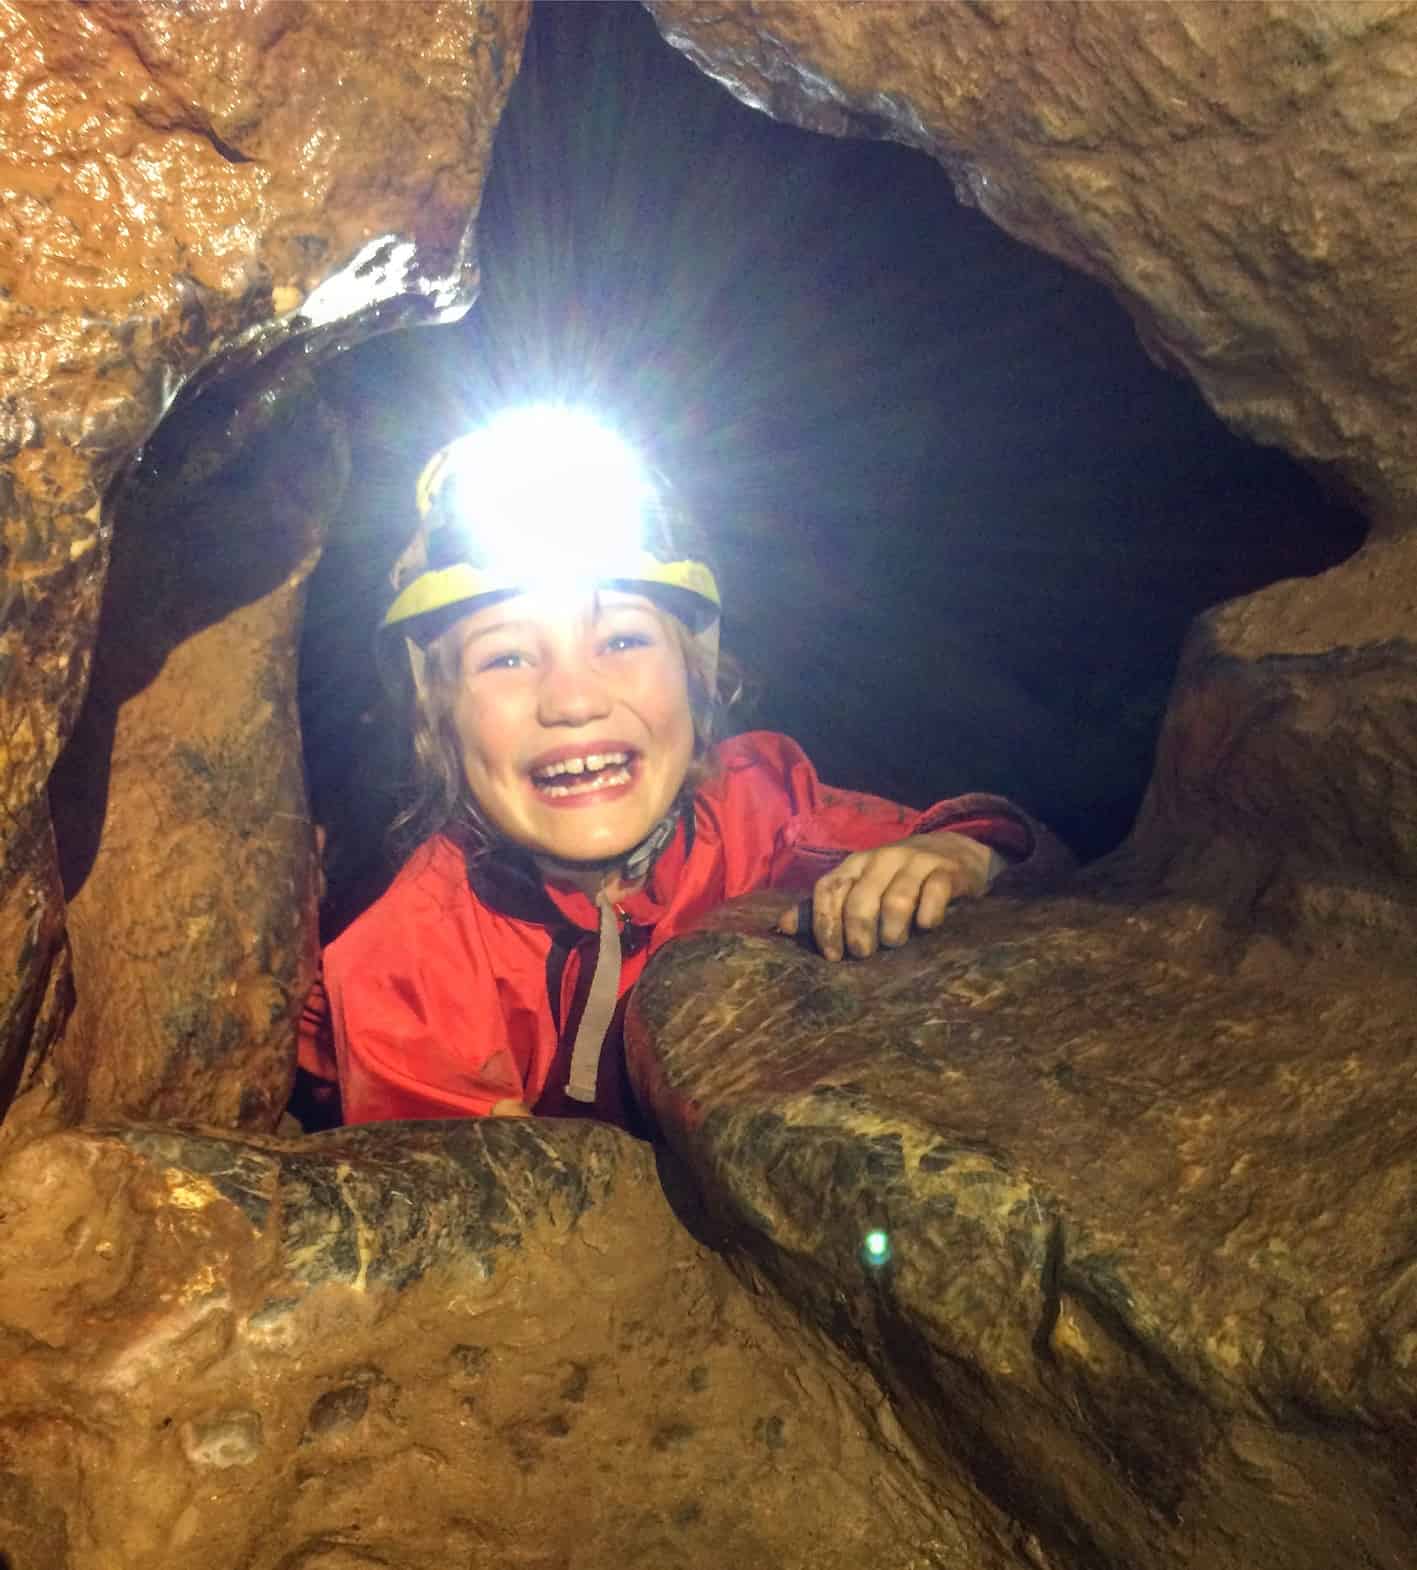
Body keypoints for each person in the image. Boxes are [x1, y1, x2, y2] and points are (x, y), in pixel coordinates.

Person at [299, 405, 1065, 1133]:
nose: (572, 699)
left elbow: (1015, 850)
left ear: (698, 681)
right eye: (505, 657)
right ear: (438, 722)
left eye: (623, 641)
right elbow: (464, 1235)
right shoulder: (405, 960)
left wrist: (960, 853)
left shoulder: (762, 805)